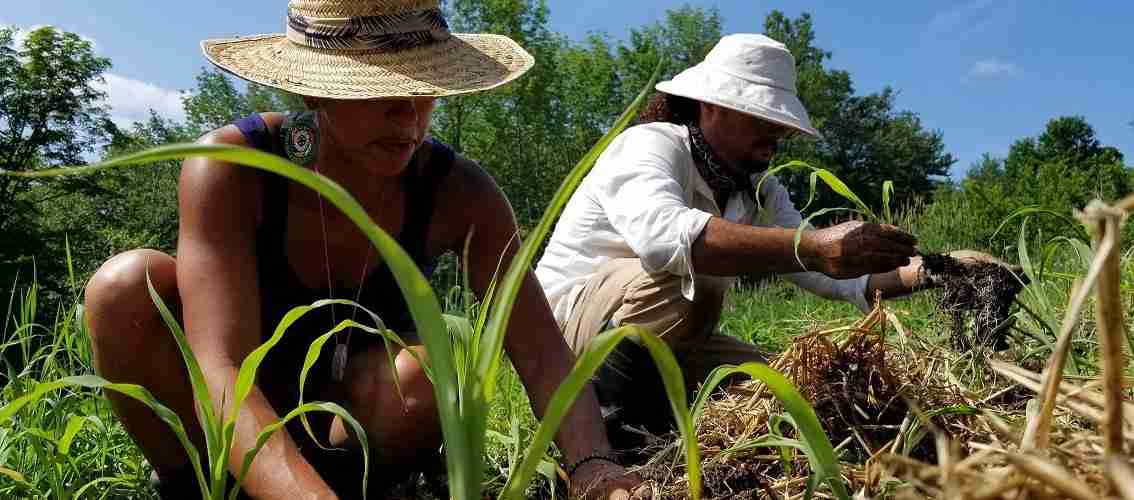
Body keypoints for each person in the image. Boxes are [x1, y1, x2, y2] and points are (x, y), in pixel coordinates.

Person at [83, 1, 641, 498]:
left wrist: (597, 469)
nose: (410, 116)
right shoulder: (235, 169)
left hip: (354, 433)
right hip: (227, 425)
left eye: (425, 88)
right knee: (126, 288)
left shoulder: (458, 193)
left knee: (426, 369)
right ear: (313, 91)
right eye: (378, 89)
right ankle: (196, 485)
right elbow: (222, 366)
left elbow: (541, 351)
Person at [534, 34, 1021, 449]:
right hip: (565, 335)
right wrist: (813, 246)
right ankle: (610, 442)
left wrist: (942, 269)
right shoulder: (652, 145)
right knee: (698, 275)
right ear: (711, 106)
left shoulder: (758, 189)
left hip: (670, 336)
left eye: (780, 122)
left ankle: (669, 432)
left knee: (787, 389)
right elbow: (666, 239)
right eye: (760, 117)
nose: (776, 134)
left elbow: (830, 273)